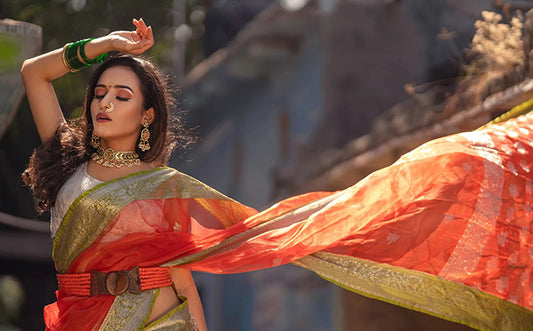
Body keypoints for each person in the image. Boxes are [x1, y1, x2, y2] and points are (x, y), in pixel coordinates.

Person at [21, 19, 533, 331]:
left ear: (147, 115)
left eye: (121, 95)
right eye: (99, 93)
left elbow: (181, 273)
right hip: (76, 316)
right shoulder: (64, 157)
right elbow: (33, 73)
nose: (104, 102)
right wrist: (103, 46)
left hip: (153, 318)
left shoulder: (164, 188)